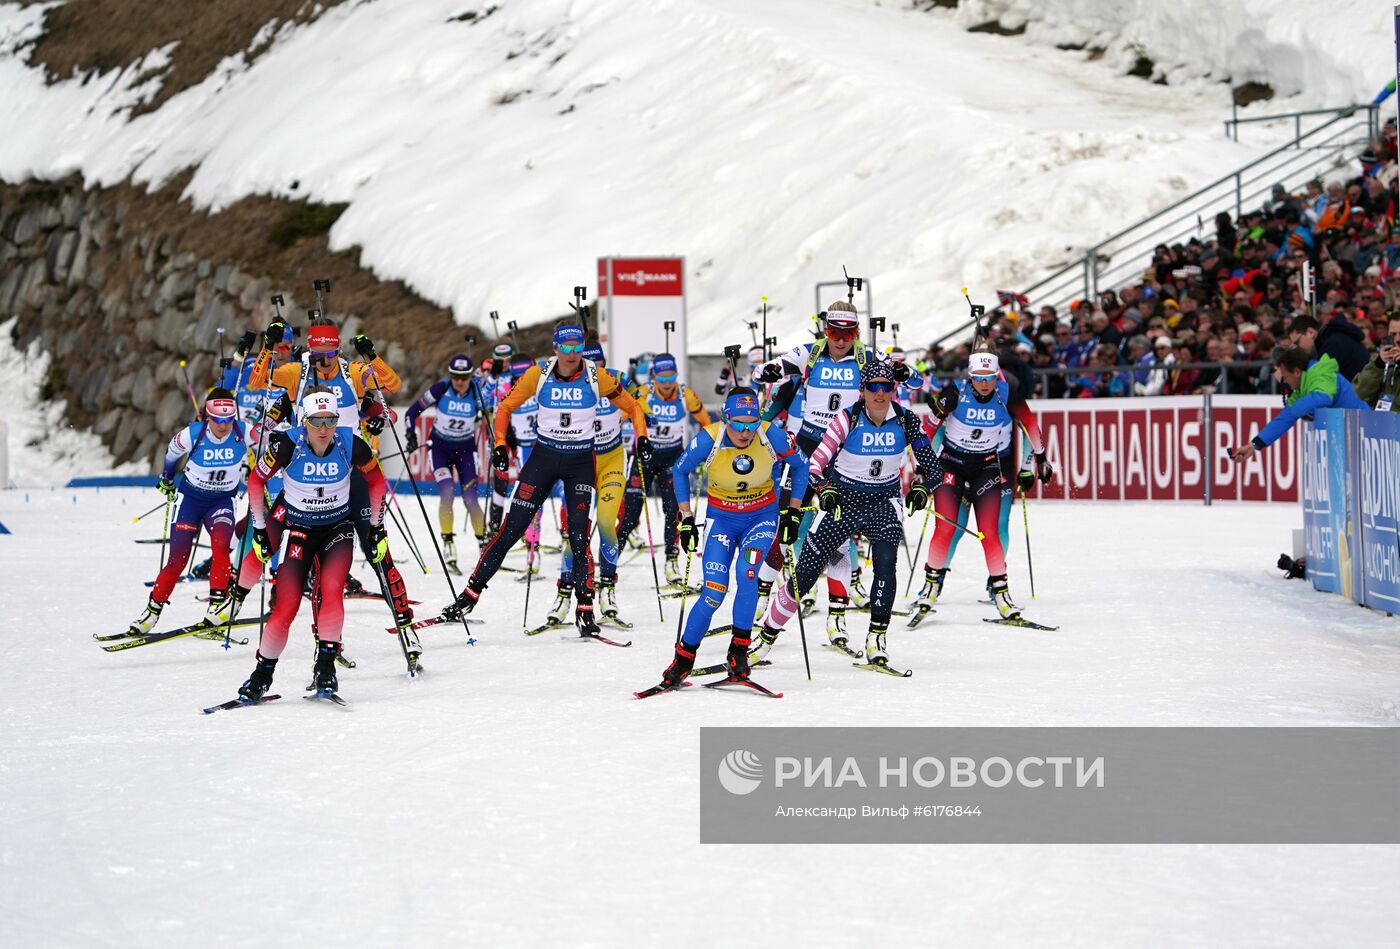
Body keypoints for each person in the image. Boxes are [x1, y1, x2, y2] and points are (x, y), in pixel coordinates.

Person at [443, 322, 649, 637]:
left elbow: (633, 406)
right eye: (565, 347)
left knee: (579, 535)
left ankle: (584, 608)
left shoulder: (597, 376)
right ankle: (469, 596)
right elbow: (505, 408)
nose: (571, 353)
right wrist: (500, 443)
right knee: (511, 529)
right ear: (555, 348)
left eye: (577, 347)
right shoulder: (537, 374)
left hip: (580, 462)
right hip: (543, 460)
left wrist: (642, 437)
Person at [750, 360, 940, 675]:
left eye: (887, 387)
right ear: (862, 390)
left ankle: (876, 640)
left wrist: (923, 489)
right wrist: (824, 488)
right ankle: (765, 637)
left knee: (885, 565)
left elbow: (933, 467)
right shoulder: (847, 418)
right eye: (874, 387)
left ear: (894, 390)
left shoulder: (906, 420)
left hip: (884, 501)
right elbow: (816, 462)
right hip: (844, 499)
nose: (880, 394)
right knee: (806, 573)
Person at [752, 300, 921, 640]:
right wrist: (769, 372)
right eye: (834, 332)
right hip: (805, 450)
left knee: (838, 538)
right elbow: (764, 370)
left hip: (842, 455)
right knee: (785, 526)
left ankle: (837, 616)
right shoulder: (810, 353)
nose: (841, 339)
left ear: (856, 333)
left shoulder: (867, 357)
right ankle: (760, 601)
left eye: (848, 333)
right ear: (824, 330)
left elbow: (914, 381)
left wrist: (904, 372)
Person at [246, 315, 413, 628]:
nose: (324, 364)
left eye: (330, 356)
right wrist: (267, 347)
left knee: (375, 544)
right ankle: (314, 627)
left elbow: (393, 384)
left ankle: (403, 616)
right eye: (319, 357)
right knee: (303, 548)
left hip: (352, 474)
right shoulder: (299, 372)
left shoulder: (353, 373)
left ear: (338, 351)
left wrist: (371, 356)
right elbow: (257, 381)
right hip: (309, 476)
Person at [232, 386, 390, 701]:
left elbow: (376, 483)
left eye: (330, 421)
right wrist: (261, 529)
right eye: (316, 421)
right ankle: (262, 674)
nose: (323, 429)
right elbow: (255, 481)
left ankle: (326, 668)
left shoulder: (351, 444)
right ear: (304, 420)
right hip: (298, 529)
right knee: (286, 606)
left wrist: (376, 528)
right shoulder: (287, 445)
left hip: (337, 529)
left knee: (332, 590)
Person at [646, 388, 808, 691]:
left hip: (760, 518)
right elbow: (680, 471)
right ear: (726, 418)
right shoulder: (710, 438)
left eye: (752, 423)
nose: (746, 432)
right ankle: (683, 660)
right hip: (721, 520)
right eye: (739, 424)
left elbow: (802, 466)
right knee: (713, 592)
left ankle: (738, 655)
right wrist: (687, 519)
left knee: (747, 577)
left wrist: (793, 513)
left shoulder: (771, 435)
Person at [916, 351, 1052, 624]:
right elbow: (929, 428)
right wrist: (923, 467)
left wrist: (1039, 459)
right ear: (970, 376)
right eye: (979, 378)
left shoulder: (1006, 392)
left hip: (987, 467)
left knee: (990, 532)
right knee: (945, 528)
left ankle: (1002, 595)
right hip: (951, 466)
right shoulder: (956, 392)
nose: (985, 384)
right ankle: (930, 589)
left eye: (989, 377)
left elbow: (1030, 424)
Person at [125, 388, 247, 635]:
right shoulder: (193, 434)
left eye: (228, 419)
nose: (223, 425)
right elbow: (171, 455)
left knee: (221, 548)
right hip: (191, 499)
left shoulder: (244, 432)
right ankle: (151, 612)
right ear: (207, 417)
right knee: (178, 558)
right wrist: (167, 480)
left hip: (222, 501)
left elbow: (274, 444)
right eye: (217, 419)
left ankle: (215, 609)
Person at [550, 343, 631, 627]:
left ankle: (608, 590)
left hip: (611, 460)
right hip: (581, 462)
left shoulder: (617, 380)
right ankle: (563, 595)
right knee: (576, 530)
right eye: (589, 367)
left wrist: (636, 417)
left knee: (607, 523)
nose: (593, 372)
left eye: (599, 366)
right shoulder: (571, 388)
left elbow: (640, 398)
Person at [614, 352, 711, 585]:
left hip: (672, 458)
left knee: (674, 510)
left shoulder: (685, 394)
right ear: (654, 377)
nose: (667, 383)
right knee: (630, 513)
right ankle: (610, 562)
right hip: (645, 457)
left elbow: (706, 422)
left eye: (672, 377)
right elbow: (621, 416)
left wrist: (703, 449)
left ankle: (671, 561)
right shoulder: (644, 393)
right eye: (662, 378)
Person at [404, 354, 487, 572]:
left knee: (471, 499)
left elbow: (495, 412)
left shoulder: (478, 393)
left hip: (466, 451)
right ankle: (448, 542)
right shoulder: (440, 389)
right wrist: (411, 435)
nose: (459, 381)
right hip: (440, 449)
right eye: (455, 376)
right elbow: (412, 412)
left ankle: (484, 543)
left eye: (464, 377)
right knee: (447, 492)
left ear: (470, 376)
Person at [1229, 348, 1369, 463]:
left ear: (1296, 372)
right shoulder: (1302, 386)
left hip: (1365, 431)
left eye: (1285, 376)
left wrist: (1297, 409)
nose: (1284, 381)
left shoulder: (1321, 372)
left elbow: (1323, 397)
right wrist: (1254, 445)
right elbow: (1284, 419)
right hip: (1351, 435)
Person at [1352, 316, 1400, 412]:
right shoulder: (1380, 360)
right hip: (1381, 423)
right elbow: (1359, 394)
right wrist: (1378, 365)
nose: (1398, 339)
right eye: (1393, 334)